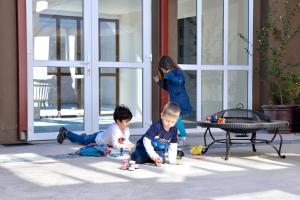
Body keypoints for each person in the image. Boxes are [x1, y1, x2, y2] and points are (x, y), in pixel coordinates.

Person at [56, 105, 135, 150]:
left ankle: (83, 136)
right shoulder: (114, 128)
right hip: (96, 139)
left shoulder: (126, 129)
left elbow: (126, 141)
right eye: (126, 121)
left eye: (129, 121)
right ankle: (65, 133)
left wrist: (133, 146)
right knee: (82, 140)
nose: (128, 123)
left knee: (82, 139)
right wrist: (128, 146)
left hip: (103, 136)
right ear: (118, 121)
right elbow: (115, 145)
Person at [153, 55, 192, 146]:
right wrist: (159, 82)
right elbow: (169, 88)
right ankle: (176, 137)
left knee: (176, 119)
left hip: (181, 101)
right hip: (175, 102)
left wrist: (169, 73)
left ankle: (183, 138)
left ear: (166, 66)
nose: (162, 71)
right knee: (173, 119)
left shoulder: (177, 72)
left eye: (162, 68)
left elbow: (179, 81)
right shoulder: (169, 75)